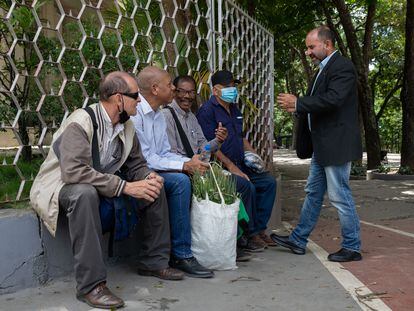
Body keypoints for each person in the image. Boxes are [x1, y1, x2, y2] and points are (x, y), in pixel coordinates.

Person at [30, 72, 184, 309]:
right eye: (135, 97)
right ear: (119, 99)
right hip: (61, 187)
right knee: (84, 193)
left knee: (153, 186)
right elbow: (74, 172)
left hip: (100, 184)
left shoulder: (127, 125)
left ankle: (154, 261)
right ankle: (91, 286)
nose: (140, 101)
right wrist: (125, 186)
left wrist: (147, 177)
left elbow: (136, 165)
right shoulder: (80, 122)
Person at [273, 25, 363, 262]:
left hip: (336, 145)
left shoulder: (342, 67)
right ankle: (298, 239)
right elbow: (319, 104)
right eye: (307, 48)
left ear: (327, 44)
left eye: (312, 47)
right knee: (313, 193)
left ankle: (352, 247)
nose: (308, 52)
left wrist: (299, 102)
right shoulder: (322, 70)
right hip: (322, 146)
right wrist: (299, 107)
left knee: (339, 196)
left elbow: (333, 100)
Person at [130, 66, 214, 278]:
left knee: (189, 175)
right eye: (170, 85)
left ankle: (190, 250)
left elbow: (164, 153)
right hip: (133, 170)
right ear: (155, 89)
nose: (174, 89)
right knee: (179, 181)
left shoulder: (158, 114)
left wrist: (190, 162)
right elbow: (145, 158)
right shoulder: (136, 113)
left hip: (151, 167)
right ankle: (181, 253)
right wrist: (185, 166)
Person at [197, 70, 277, 253]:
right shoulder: (207, 112)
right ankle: (249, 235)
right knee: (247, 187)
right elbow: (209, 146)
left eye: (234, 85)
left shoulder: (234, 109)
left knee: (268, 183)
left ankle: (259, 229)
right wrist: (231, 167)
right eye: (228, 86)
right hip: (218, 168)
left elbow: (241, 138)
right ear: (216, 90)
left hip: (241, 164)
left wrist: (257, 157)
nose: (233, 89)